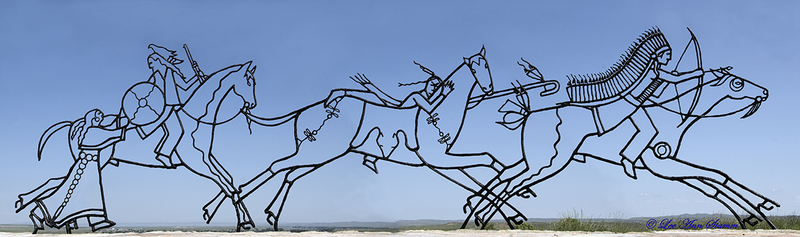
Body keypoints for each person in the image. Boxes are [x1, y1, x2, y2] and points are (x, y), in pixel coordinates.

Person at [325, 64, 454, 171]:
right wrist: (444, 93)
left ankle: (370, 158)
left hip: (398, 116)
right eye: (432, 85)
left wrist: (373, 88)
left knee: (377, 100)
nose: (434, 89)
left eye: (437, 87)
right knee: (375, 104)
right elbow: (430, 108)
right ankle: (343, 93)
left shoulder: (422, 98)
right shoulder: (418, 96)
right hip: (398, 118)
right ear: (427, 84)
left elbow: (396, 102)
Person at [17, 109, 127, 233]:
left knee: (86, 194)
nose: (102, 121)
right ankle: (38, 214)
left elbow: (110, 133)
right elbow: (112, 135)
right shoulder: (91, 132)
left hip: (90, 168)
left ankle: (97, 221)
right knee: (67, 196)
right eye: (100, 119)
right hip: (84, 170)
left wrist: (122, 120)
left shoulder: (93, 131)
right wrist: (126, 124)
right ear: (94, 119)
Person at [618, 34, 704, 179]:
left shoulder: (656, 72)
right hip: (629, 104)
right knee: (648, 131)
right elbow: (676, 79)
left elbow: (655, 95)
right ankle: (628, 159)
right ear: (658, 56)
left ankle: (628, 159)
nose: (669, 59)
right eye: (667, 55)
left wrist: (666, 81)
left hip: (634, 104)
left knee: (649, 131)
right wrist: (698, 73)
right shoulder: (653, 71)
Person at [135, 44, 203, 167]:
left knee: (176, 131)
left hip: (169, 107)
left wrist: (198, 78)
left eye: (151, 62)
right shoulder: (156, 76)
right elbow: (148, 91)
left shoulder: (170, 73)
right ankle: (163, 154)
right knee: (176, 131)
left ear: (158, 60)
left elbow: (186, 88)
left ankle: (164, 154)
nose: (149, 65)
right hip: (164, 108)